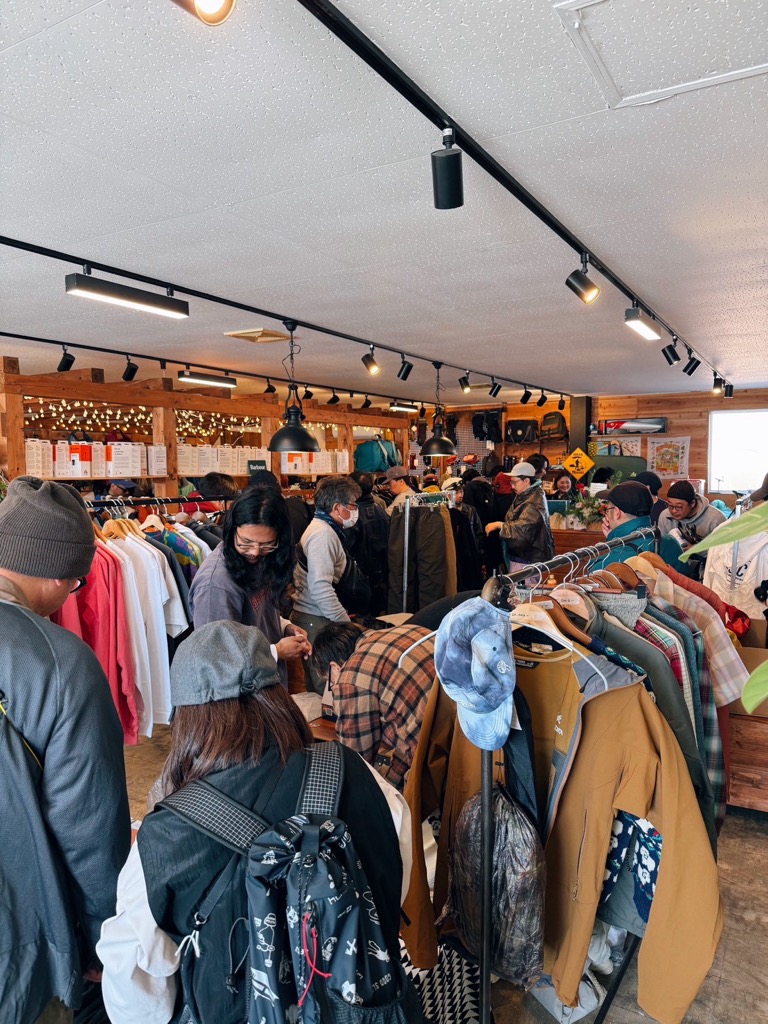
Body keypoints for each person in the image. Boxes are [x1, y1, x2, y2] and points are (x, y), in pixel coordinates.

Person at [97, 621, 411, 1024]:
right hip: (362, 1004)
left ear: (187, 718)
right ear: (278, 696)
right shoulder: (355, 771)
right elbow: (396, 871)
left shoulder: (165, 838)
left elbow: (136, 995)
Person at [0, 476, 130, 1024]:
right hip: (21, 949)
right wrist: (104, 936)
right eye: (77, 584)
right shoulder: (59, 664)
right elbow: (89, 826)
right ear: (56, 575)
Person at [188, 487, 310, 687]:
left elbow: (255, 614)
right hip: (241, 697)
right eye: (246, 542)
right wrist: (276, 651)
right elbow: (214, 659)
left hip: (266, 686)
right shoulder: (216, 586)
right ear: (232, 529)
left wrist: (283, 626)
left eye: (267, 544)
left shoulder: (262, 559)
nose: (254, 552)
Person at [311, 620, 435, 791]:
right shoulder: (408, 630)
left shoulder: (351, 676)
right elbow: (406, 730)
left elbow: (356, 763)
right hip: (459, 733)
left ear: (334, 667)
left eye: (329, 681)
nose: (333, 687)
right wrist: (391, 786)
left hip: (433, 758)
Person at [291, 474, 363, 692]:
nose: (355, 510)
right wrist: (346, 624)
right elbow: (320, 587)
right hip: (316, 619)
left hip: (317, 617)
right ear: (337, 507)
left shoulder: (324, 528)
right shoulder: (322, 535)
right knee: (326, 688)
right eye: (353, 505)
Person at [590, 480, 684, 571]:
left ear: (617, 513)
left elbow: (592, 572)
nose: (606, 515)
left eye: (607, 510)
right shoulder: (671, 542)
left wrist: (612, 543)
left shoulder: (613, 560)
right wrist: (615, 539)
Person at [485, 461, 555, 570]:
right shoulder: (526, 494)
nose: (512, 486)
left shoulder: (534, 501)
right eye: (511, 482)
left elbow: (524, 530)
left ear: (526, 481)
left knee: (523, 582)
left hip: (527, 560)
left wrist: (499, 525)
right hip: (523, 557)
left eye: (514, 482)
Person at [348, 470, 389, 616]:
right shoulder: (381, 511)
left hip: (358, 578)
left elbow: (349, 549)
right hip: (381, 575)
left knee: (360, 619)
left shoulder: (352, 516)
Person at [657, 480, 727, 549]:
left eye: (679, 507)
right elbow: (661, 544)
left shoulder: (716, 518)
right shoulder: (665, 515)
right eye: (670, 505)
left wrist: (696, 549)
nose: (673, 511)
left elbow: (724, 548)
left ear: (692, 503)